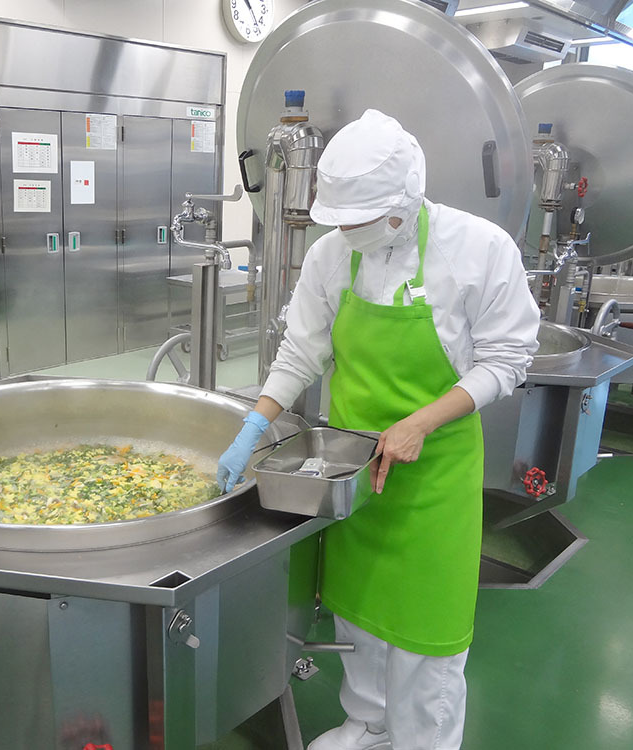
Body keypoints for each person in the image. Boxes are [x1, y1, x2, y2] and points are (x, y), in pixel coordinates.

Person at [216, 109, 540, 750]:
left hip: (435, 475)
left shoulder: (477, 250)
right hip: (353, 471)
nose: (346, 232)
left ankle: (422, 739)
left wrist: (421, 421)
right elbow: (301, 353)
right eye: (339, 220)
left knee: (426, 631)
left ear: (403, 203)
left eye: (358, 220)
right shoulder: (331, 256)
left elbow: (507, 360)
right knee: (357, 611)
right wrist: (253, 424)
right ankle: (369, 722)